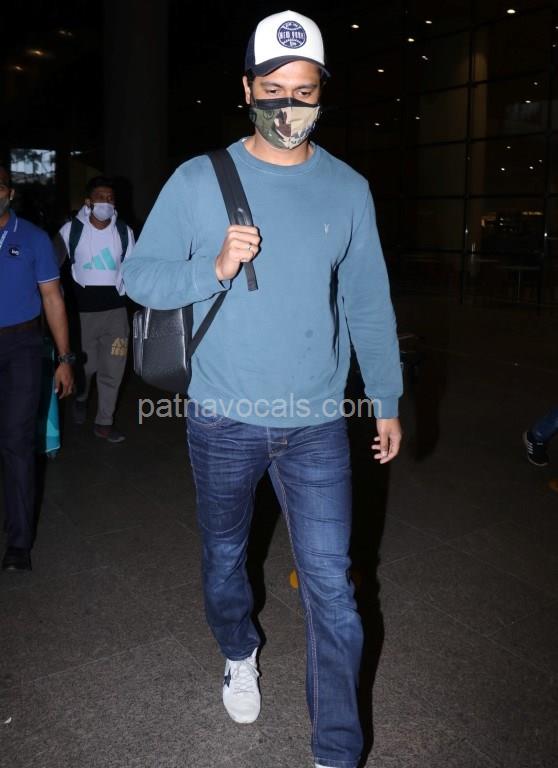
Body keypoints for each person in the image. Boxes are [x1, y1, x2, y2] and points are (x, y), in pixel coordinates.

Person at [123, 10, 402, 768]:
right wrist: (210, 268)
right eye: (272, 90)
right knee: (224, 557)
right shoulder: (198, 179)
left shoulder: (348, 189)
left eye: (304, 91)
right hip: (223, 417)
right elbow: (138, 276)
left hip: (317, 422)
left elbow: (368, 301)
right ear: (246, 89)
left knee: (333, 588)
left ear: (322, 93)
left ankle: (336, 748)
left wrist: (385, 397)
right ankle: (238, 649)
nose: (288, 106)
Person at [0, 165, 74, 572]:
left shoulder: (32, 237)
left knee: (17, 442)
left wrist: (64, 359)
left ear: (9, 192)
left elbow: (53, 298)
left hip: (22, 347)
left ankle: (18, 543)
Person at [55, 177, 134, 443]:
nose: (106, 202)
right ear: (88, 202)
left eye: (110, 198)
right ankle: (81, 397)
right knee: (86, 369)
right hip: (83, 316)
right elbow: (51, 265)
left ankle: (104, 422)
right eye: (101, 197)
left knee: (113, 369)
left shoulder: (124, 231)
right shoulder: (71, 230)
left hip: (116, 314)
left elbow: (133, 269)